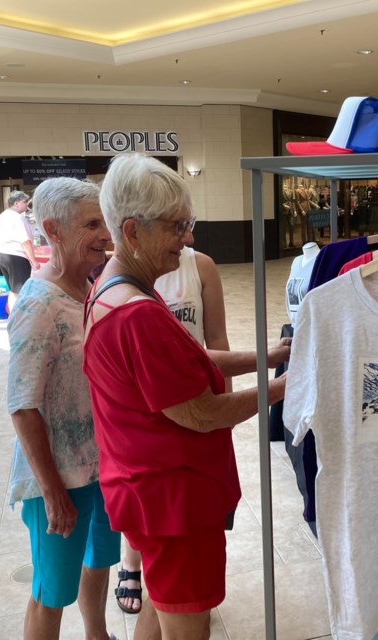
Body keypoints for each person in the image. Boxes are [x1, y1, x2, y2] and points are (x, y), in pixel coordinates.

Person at [82, 152, 290, 640]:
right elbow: (199, 412)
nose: (188, 238)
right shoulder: (139, 314)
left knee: (161, 602)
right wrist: (288, 386)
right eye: (177, 227)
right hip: (171, 499)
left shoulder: (114, 290)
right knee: (186, 626)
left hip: (145, 488)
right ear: (132, 232)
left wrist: (267, 356)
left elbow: (185, 364)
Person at [4, 177, 121, 640]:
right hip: (59, 479)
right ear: (52, 230)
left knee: (100, 561)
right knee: (51, 592)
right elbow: (22, 405)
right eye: (91, 225)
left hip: (102, 467)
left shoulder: (90, 289)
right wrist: (52, 491)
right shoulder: (39, 305)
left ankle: (98, 635)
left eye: (105, 222)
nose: (105, 236)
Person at [111, 245, 233, 616]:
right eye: (174, 224)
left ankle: (185, 595)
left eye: (185, 222)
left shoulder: (201, 266)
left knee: (192, 506)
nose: (185, 233)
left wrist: (223, 407)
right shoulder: (121, 277)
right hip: (145, 407)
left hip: (193, 394)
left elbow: (216, 339)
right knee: (145, 501)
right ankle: (131, 565)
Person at [0, 190, 41, 311]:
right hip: (15, 255)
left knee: (14, 290)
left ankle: (13, 318)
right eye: (24, 202)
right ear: (16, 203)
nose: (26, 204)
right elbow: (24, 241)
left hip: (1, 254)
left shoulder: (3, 215)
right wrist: (34, 261)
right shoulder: (17, 217)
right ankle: (17, 319)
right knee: (20, 291)